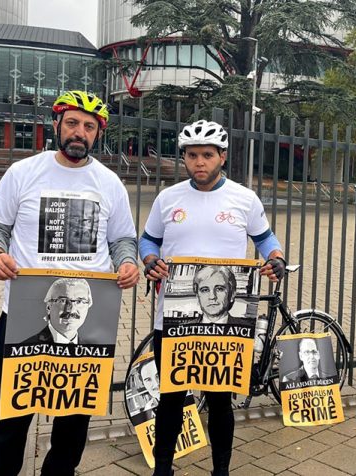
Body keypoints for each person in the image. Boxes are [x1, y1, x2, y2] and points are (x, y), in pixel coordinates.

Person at [0, 90, 140, 476]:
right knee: (10, 418)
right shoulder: (23, 173)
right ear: (56, 125)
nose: (79, 132)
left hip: (87, 321)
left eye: (89, 126)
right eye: (72, 123)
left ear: (98, 133)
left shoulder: (109, 182)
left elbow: (122, 239)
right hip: (23, 318)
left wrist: (127, 262)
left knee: (74, 422)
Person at [140, 119, 286, 476]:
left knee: (221, 400)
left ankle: (221, 470)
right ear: (184, 158)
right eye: (192, 155)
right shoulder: (168, 198)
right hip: (173, 317)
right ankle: (162, 468)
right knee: (171, 398)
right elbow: (149, 240)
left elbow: (265, 239)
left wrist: (276, 258)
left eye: (207, 155)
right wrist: (150, 261)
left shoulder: (244, 198)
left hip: (226, 322)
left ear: (222, 156)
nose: (199, 162)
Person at [21, 278, 92, 345]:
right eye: (63, 301)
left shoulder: (94, 351)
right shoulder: (25, 349)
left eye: (79, 301)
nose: (71, 310)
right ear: (48, 307)